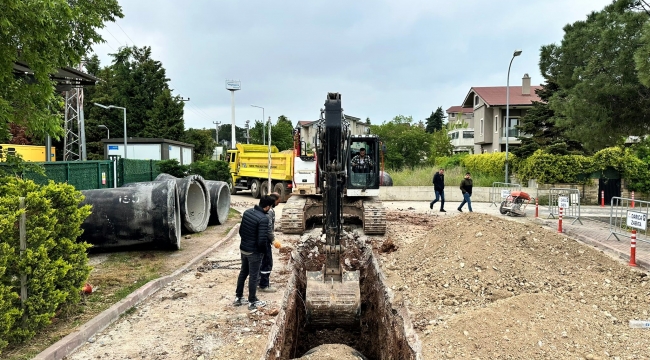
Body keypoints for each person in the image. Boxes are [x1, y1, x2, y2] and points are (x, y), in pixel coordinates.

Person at [234, 196, 275, 310]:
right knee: (254, 276)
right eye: (270, 206)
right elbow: (262, 240)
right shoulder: (263, 219)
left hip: (244, 248)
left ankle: (238, 297)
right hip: (254, 252)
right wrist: (262, 252)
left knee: (243, 272)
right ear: (267, 207)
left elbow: (241, 231)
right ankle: (252, 301)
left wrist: (247, 243)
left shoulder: (247, 212)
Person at [259, 192, 281, 292]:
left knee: (260, 262)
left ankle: (258, 282)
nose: (279, 203)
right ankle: (264, 285)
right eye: (278, 201)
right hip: (265, 241)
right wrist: (273, 240)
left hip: (260, 240)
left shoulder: (262, 210)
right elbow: (268, 228)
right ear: (274, 201)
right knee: (267, 263)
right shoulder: (269, 212)